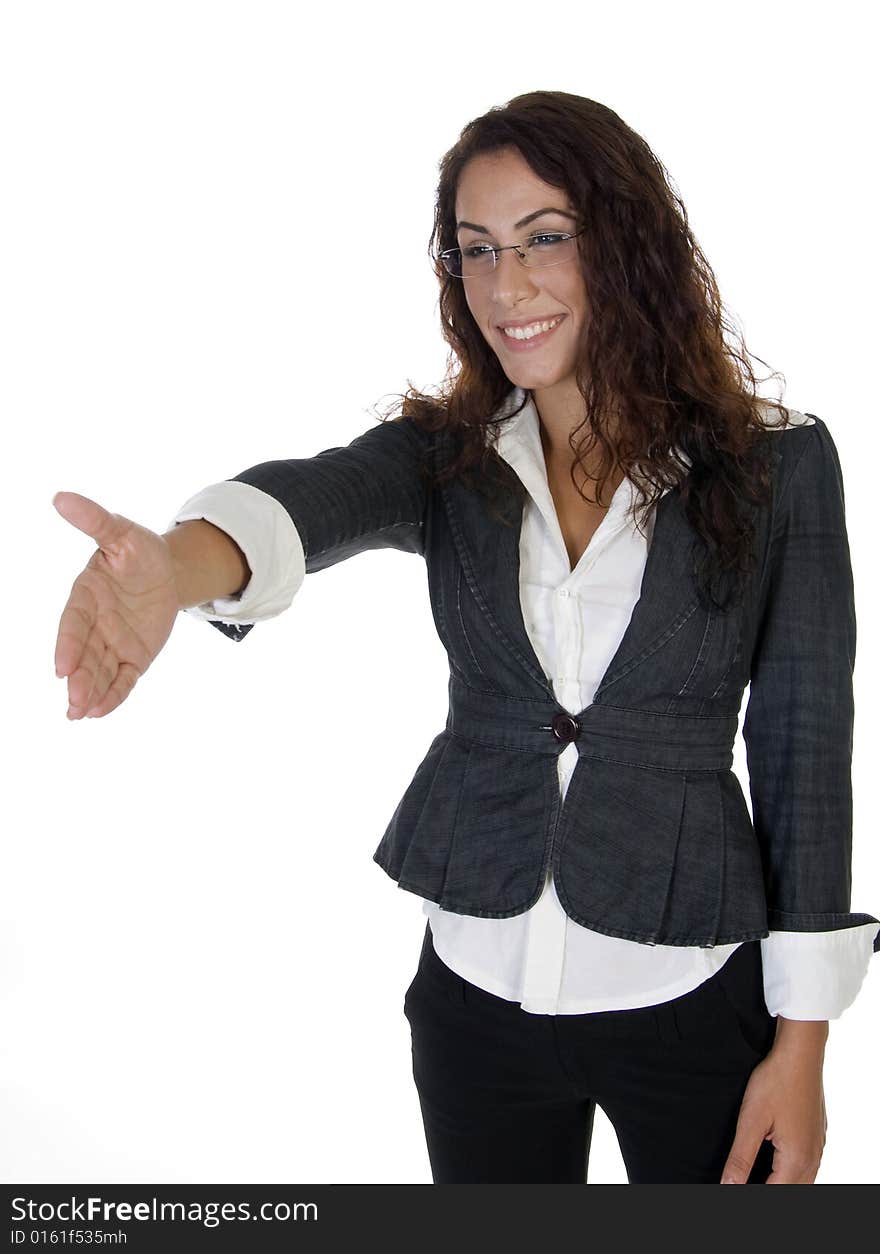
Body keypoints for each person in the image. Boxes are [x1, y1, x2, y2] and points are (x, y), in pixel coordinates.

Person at [53, 91, 879, 1184]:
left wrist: (802, 1045)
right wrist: (170, 565)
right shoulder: (446, 455)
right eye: (477, 250)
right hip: (473, 991)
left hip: (686, 986)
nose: (507, 285)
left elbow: (804, 748)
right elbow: (314, 502)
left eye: (544, 239)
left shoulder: (775, 463)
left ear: (626, 243)